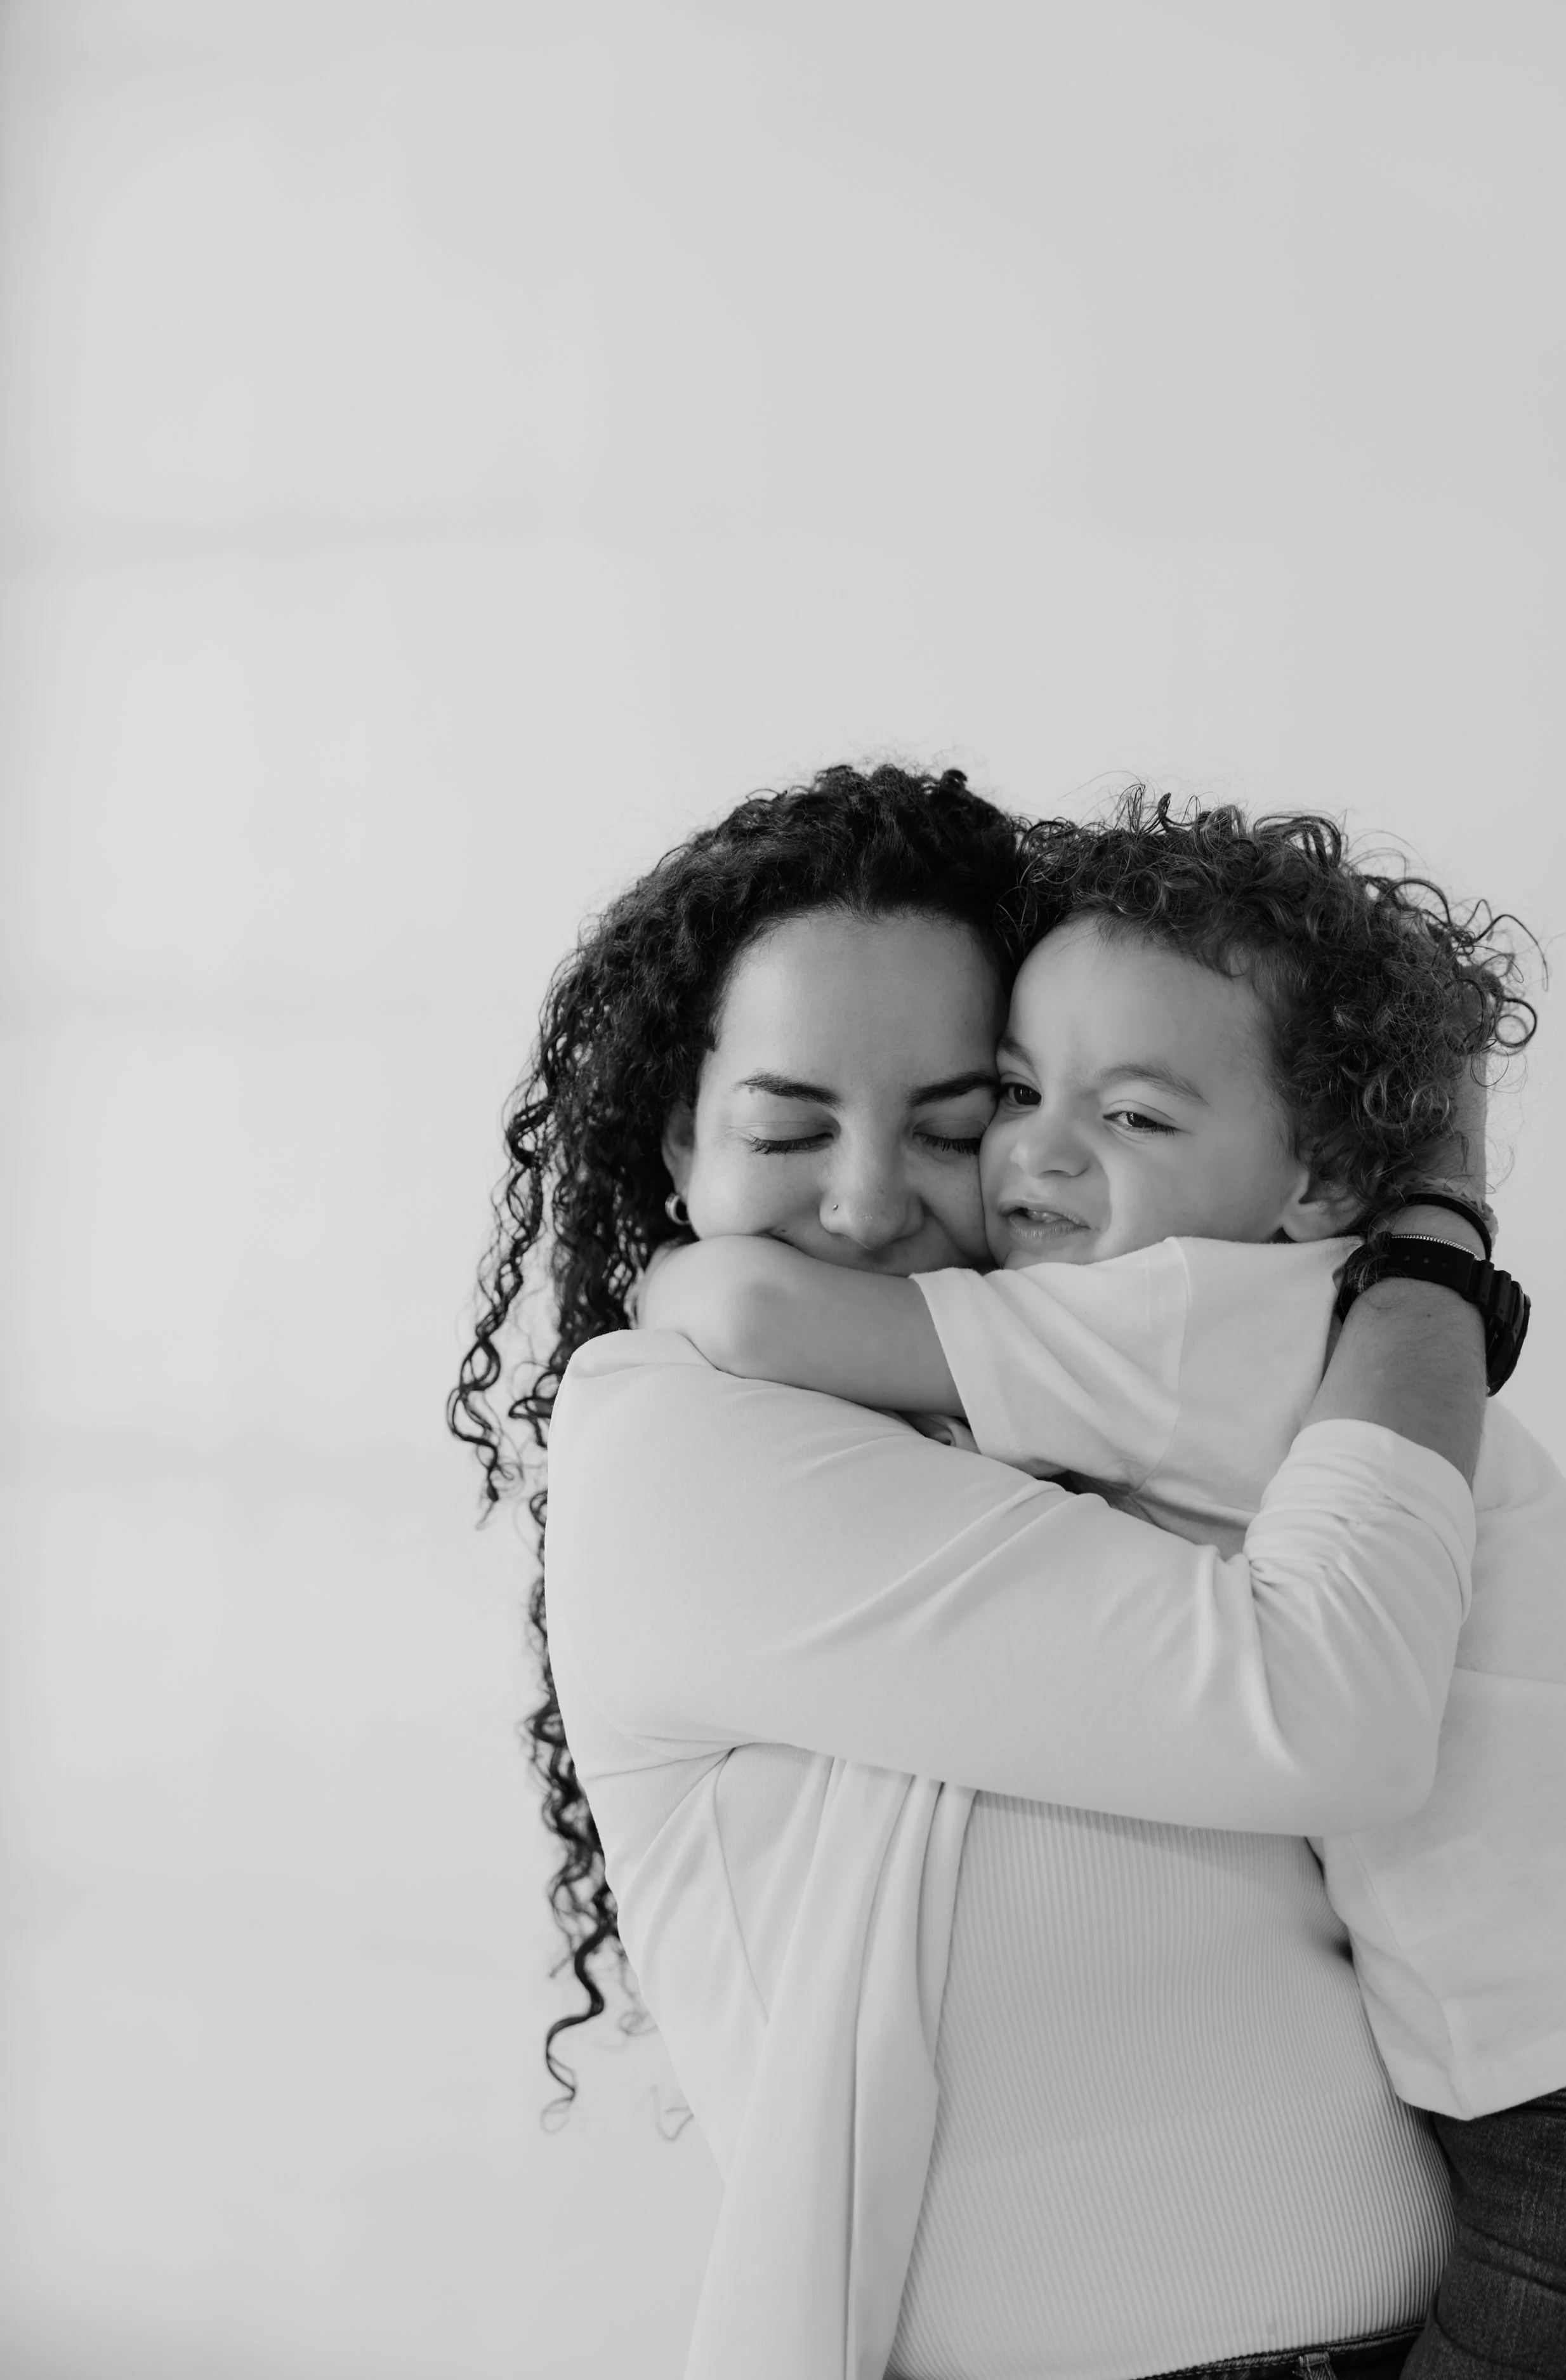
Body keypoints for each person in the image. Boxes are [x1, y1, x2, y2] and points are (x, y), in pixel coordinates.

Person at [451, 765, 1493, 2380]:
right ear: (673, 1138)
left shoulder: (1079, 1391)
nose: (866, 1203)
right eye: (787, 1125)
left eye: (955, 1122)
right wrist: (1434, 1256)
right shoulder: (674, 1448)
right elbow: (1325, 1710)